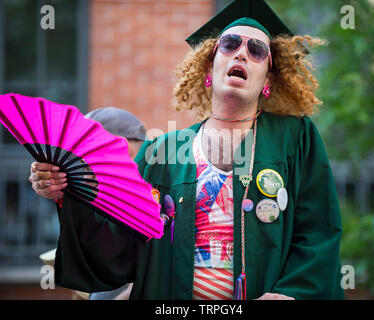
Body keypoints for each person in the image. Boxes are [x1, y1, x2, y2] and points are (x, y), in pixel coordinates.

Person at [29, 0, 344, 300]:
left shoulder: (295, 138)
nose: (242, 54)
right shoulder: (162, 151)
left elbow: (318, 234)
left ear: (267, 81)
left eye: (257, 50)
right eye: (230, 43)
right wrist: (67, 191)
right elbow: (119, 247)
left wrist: (291, 293)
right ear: (209, 68)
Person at [37, 107, 146, 300]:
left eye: (86, 151)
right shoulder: (113, 191)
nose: (81, 163)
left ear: (120, 146)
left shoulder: (160, 189)